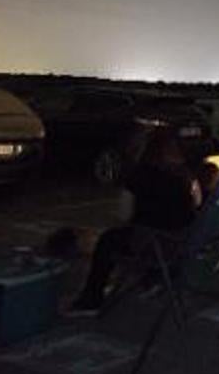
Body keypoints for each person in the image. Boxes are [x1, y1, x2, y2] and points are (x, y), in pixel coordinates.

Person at [67, 132, 201, 316]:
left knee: (108, 241)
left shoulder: (141, 175)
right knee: (146, 234)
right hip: (182, 242)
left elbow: (124, 213)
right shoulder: (186, 177)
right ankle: (153, 280)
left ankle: (91, 299)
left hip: (152, 243)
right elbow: (197, 204)